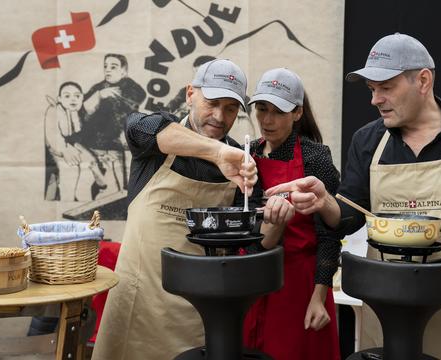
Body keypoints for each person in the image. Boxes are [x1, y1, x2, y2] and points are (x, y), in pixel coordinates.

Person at [267, 33, 441, 360]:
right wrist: (325, 201)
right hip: (389, 312)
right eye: (371, 90)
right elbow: (351, 214)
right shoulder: (367, 141)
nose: (375, 100)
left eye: (386, 87)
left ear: (423, 80)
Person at [91, 59, 293, 360]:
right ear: (190, 94)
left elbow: (252, 247)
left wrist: (277, 221)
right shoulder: (155, 140)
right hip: (137, 304)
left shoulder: (243, 165)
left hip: (199, 316)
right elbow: (138, 126)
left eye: (230, 108)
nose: (219, 116)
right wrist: (219, 153)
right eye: (211, 103)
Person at [235, 68, 341, 360]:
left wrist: (319, 297)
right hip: (254, 279)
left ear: (297, 113)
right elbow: (246, 230)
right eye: (261, 109)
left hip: (301, 284)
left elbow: (329, 234)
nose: (267, 120)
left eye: (278, 112)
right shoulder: (247, 156)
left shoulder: (315, 157)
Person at [77, 53, 146, 196]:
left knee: (119, 189)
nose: (107, 70)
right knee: (94, 186)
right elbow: (82, 111)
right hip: (92, 145)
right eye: (105, 66)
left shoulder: (133, 89)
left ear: (123, 71)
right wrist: (99, 96)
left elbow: (132, 104)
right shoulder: (98, 88)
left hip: (117, 146)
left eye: (113, 67)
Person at [44, 81, 104, 201]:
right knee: (70, 170)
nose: (73, 99)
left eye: (77, 96)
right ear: (59, 98)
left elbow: (80, 136)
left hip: (74, 147)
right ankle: (68, 200)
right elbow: (52, 137)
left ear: (82, 97)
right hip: (55, 151)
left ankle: (83, 197)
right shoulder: (53, 111)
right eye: (67, 96)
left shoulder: (78, 112)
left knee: (87, 168)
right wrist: (64, 150)